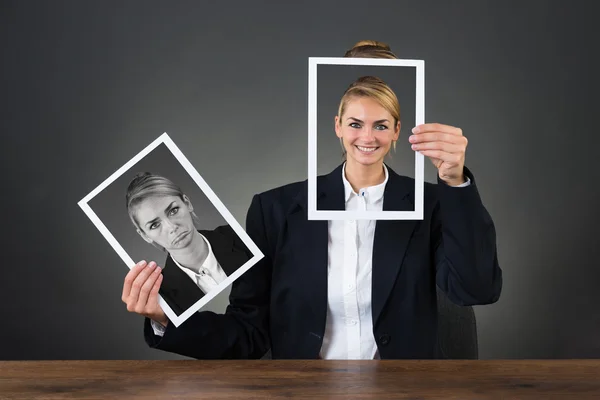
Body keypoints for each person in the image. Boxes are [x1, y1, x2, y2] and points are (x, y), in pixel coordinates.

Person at [121, 40, 502, 359]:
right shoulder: (275, 211)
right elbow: (248, 334)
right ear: (338, 126)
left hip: (403, 391)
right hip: (304, 391)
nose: (367, 137)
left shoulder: (432, 203)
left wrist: (455, 183)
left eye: (381, 125)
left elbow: (476, 289)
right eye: (355, 123)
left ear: (397, 131)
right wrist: (166, 318)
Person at [124, 172, 251, 328]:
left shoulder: (241, 236)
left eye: (173, 210)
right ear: (145, 235)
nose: (172, 228)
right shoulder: (162, 297)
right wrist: (163, 321)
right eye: (154, 225)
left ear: (187, 203)